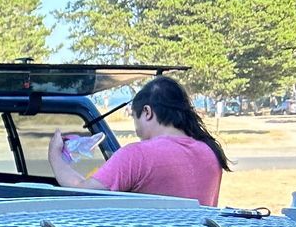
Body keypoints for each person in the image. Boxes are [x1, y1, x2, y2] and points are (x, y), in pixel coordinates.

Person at [48, 74, 229, 204]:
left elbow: (82, 194)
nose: (137, 130)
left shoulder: (137, 155)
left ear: (147, 112)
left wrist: (55, 156)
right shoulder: (209, 152)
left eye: (135, 118)